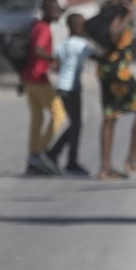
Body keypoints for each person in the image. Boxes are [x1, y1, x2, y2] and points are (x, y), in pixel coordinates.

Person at [96, 0, 136, 181]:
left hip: (105, 68)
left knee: (110, 116)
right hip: (117, 70)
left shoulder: (107, 5)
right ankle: (132, 159)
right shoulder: (120, 8)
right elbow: (113, 34)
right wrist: (128, 16)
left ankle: (105, 168)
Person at [46, 13, 95, 176]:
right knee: (76, 125)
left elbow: (55, 65)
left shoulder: (63, 44)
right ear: (75, 26)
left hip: (61, 86)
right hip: (72, 88)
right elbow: (97, 56)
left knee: (75, 125)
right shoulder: (81, 44)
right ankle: (67, 160)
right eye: (81, 24)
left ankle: (55, 154)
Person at [23, 0, 66, 175]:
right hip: (38, 79)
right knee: (59, 115)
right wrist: (52, 60)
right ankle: (38, 153)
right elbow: (38, 49)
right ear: (46, 11)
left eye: (58, 10)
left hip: (28, 79)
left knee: (38, 118)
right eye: (53, 10)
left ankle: (33, 153)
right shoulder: (44, 29)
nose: (57, 13)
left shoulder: (37, 26)